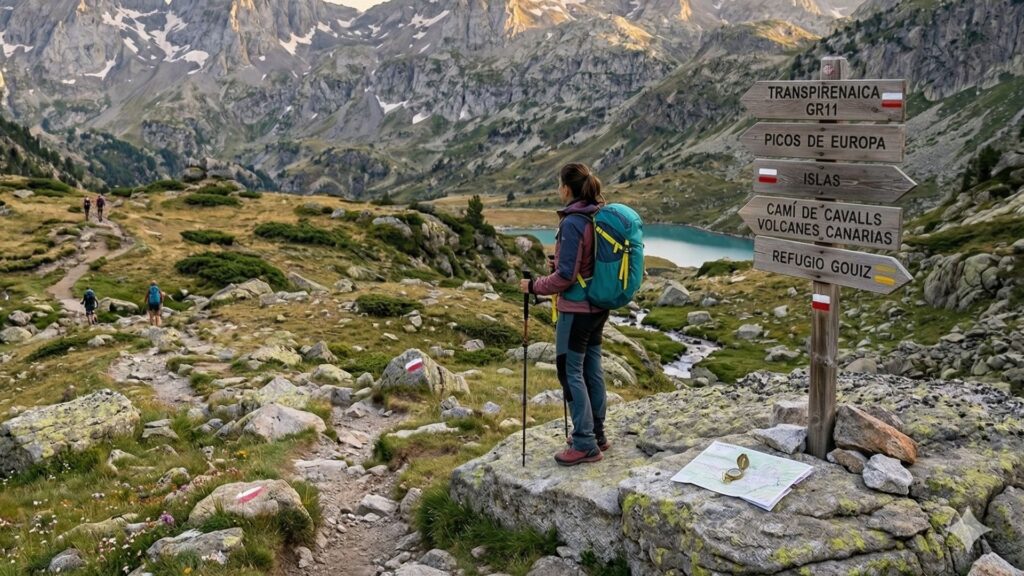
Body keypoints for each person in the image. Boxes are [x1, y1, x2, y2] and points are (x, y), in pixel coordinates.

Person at [521, 163, 609, 466]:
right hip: (598, 306)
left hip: (576, 309)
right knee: (591, 367)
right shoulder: (595, 215)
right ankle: (596, 433)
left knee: (569, 371)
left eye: (560, 185)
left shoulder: (573, 222)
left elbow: (566, 278)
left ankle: (584, 443)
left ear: (566, 188)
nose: (559, 190)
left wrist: (533, 286)